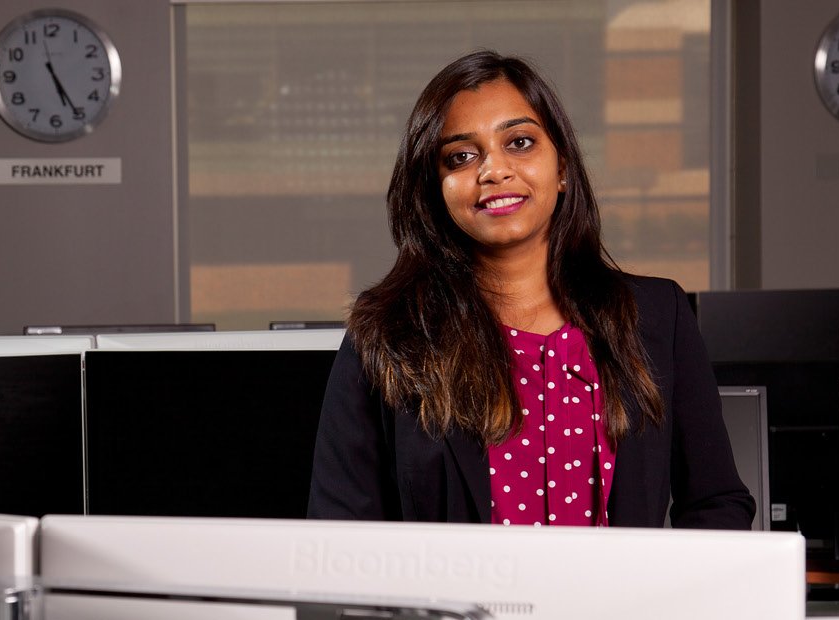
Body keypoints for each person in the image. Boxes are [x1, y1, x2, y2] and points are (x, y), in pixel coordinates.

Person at [307, 50, 754, 529]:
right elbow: (340, 532)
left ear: (562, 167)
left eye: (519, 142)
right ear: (434, 188)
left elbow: (717, 502)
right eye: (461, 156)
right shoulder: (386, 334)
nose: (493, 171)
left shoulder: (656, 317)